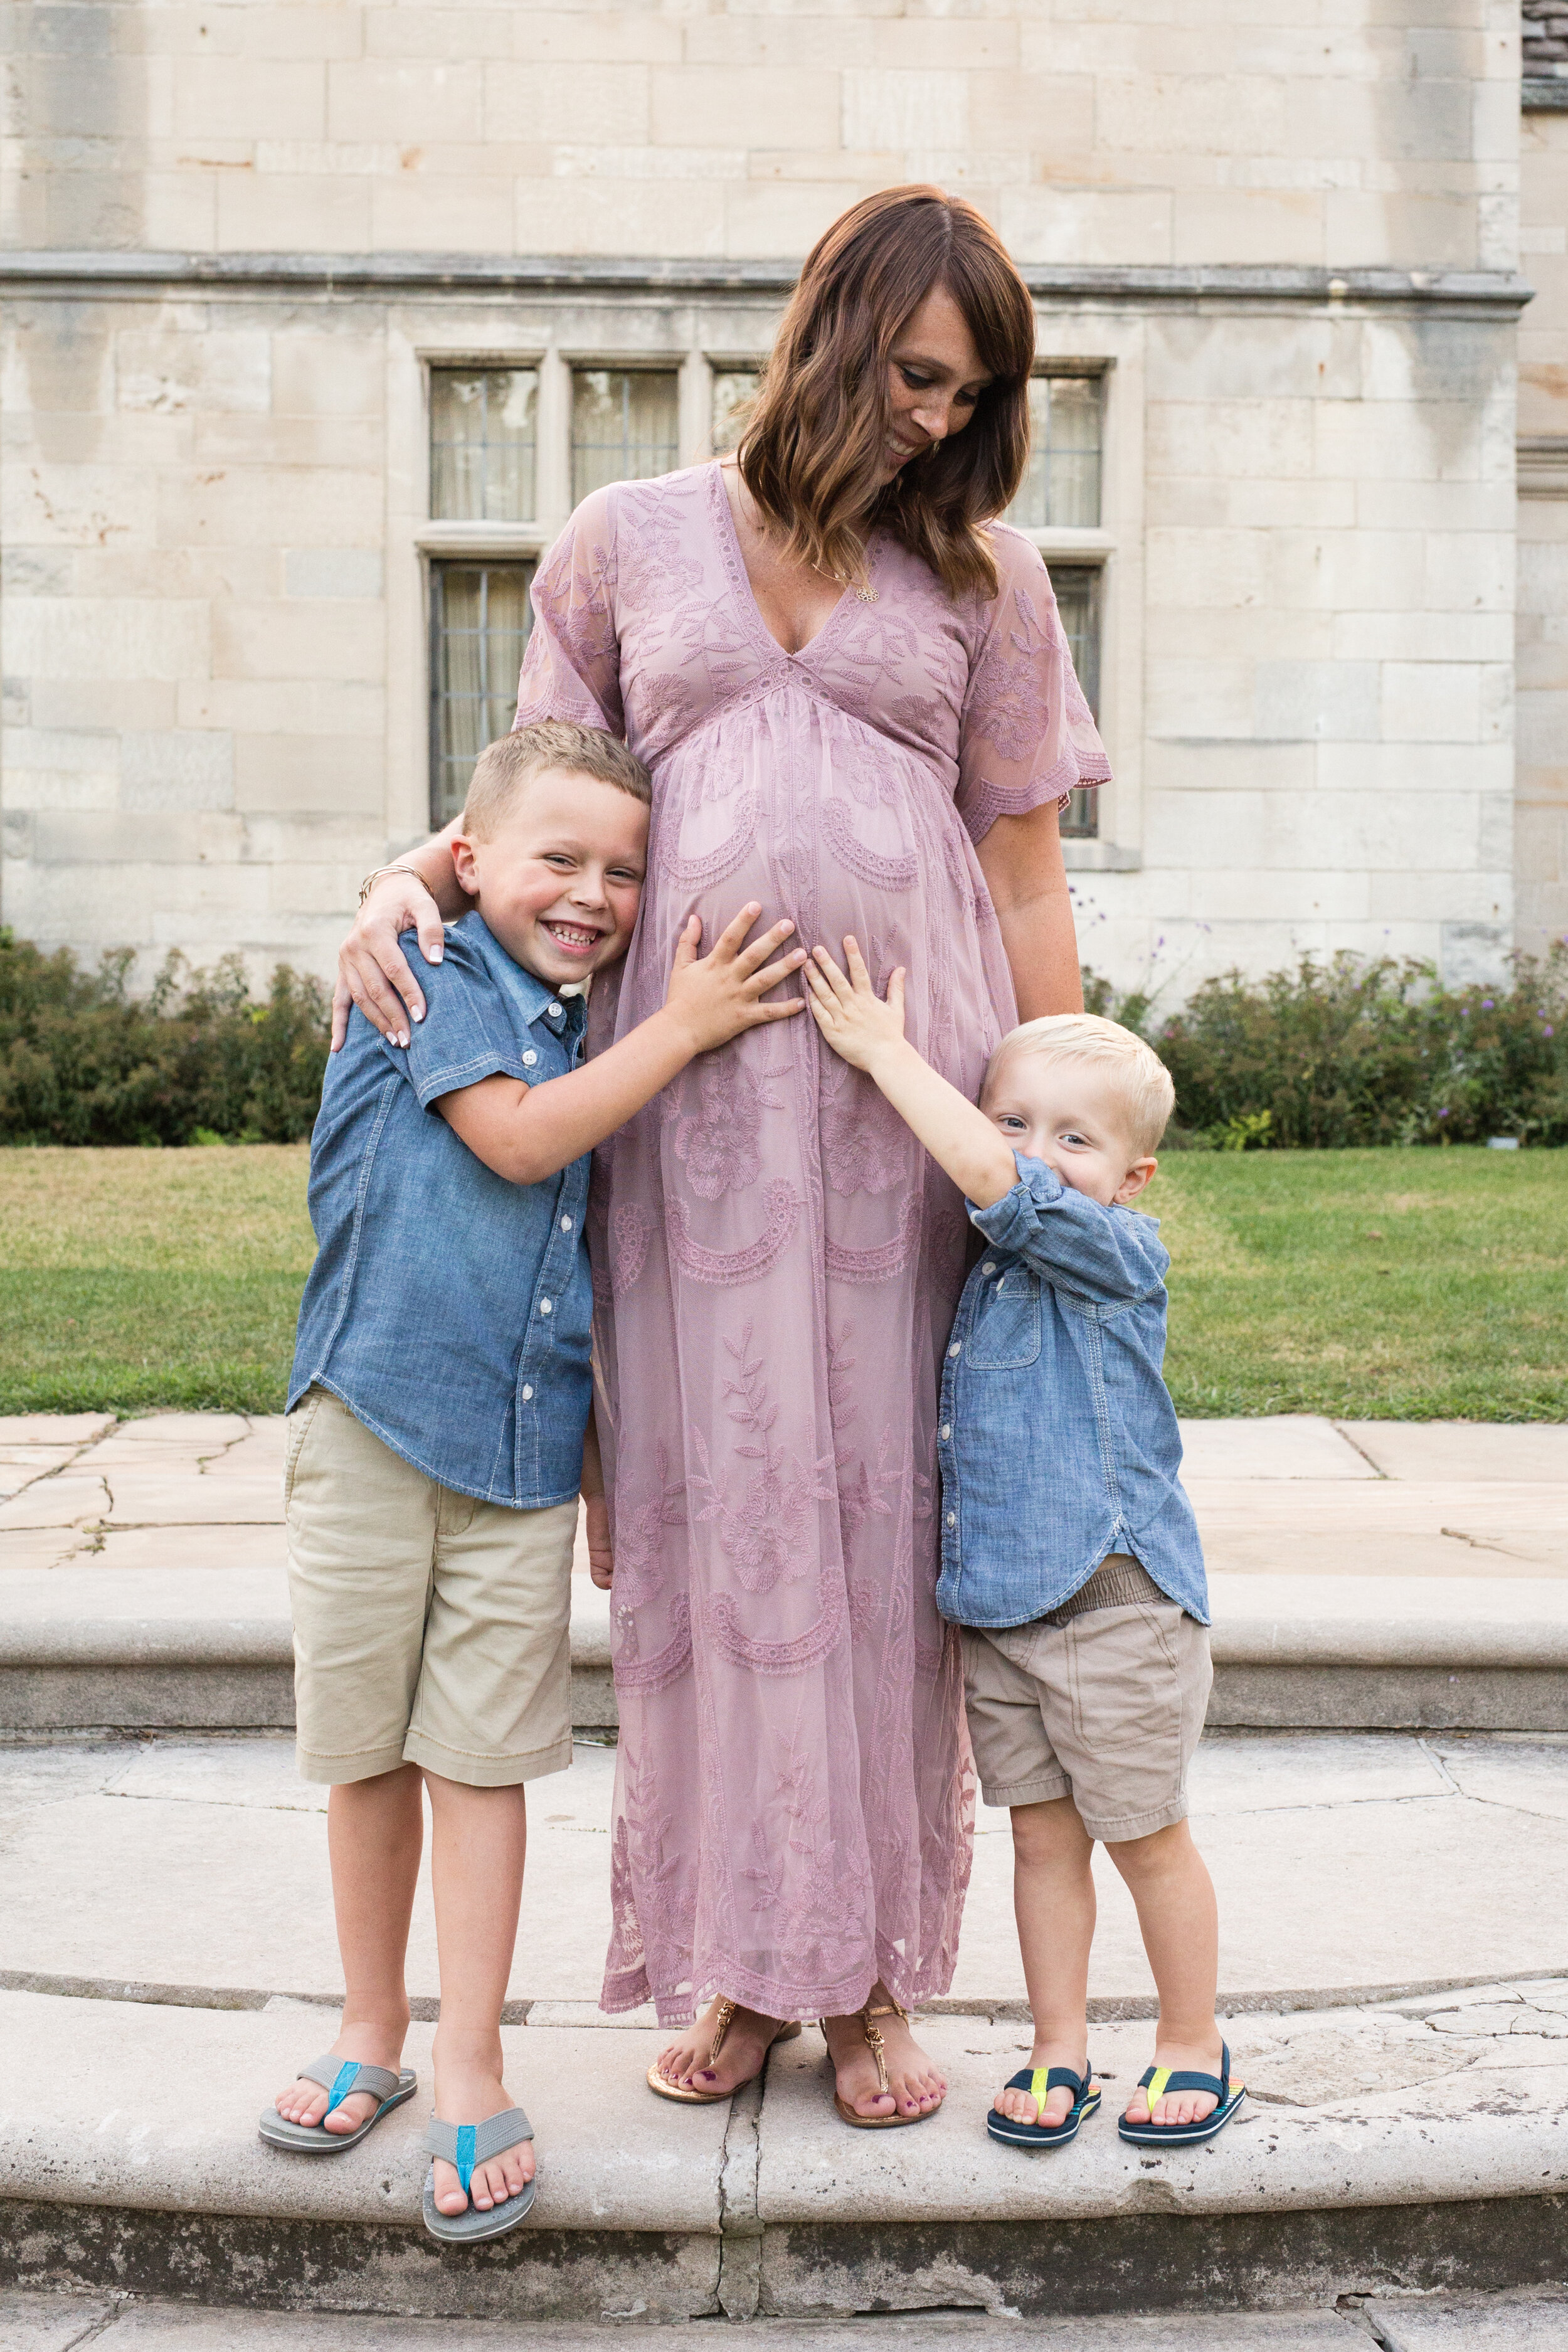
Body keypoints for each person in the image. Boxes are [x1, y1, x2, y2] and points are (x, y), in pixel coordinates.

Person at [331, 186, 1110, 2127]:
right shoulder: (623, 540)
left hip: (893, 1108)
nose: (939, 420)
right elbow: (525, 813)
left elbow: (1021, 863)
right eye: (919, 374)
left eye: (974, 393)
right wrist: (393, 877)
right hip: (675, 1116)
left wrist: (1060, 1113)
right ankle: (740, 1960)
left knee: (872, 1522)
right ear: (833, 334)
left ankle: (860, 1977)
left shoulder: (983, 578)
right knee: (704, 1514)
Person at [261, 719, 806, 2238]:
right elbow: (511, 1148)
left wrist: (597, 1465)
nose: (592, 893)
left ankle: (469, 2059)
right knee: (365, 1755)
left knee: (483, 1763)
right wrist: (684, 1025)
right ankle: (370, 2029)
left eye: (622, 870)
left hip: (514, 1459)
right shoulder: (423, 971)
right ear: (468, 855)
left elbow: (564, 1272)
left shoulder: (582, 1016)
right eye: (556, 858)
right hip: (371, 1422)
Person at [802, 955, 1244, 2152]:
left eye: (1077, 1139)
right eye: (1015, 1118)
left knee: (1147, 1836)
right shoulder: (988, 1275)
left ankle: (1191, 2041)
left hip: (1118, 1605)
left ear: (1134, 1176)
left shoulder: (1119, 1255)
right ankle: (1060, 2046)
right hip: (1003, 1614)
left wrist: (887, 1054)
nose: (1042, 1151)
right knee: (1043, 1840)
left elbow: (1002, 1186)